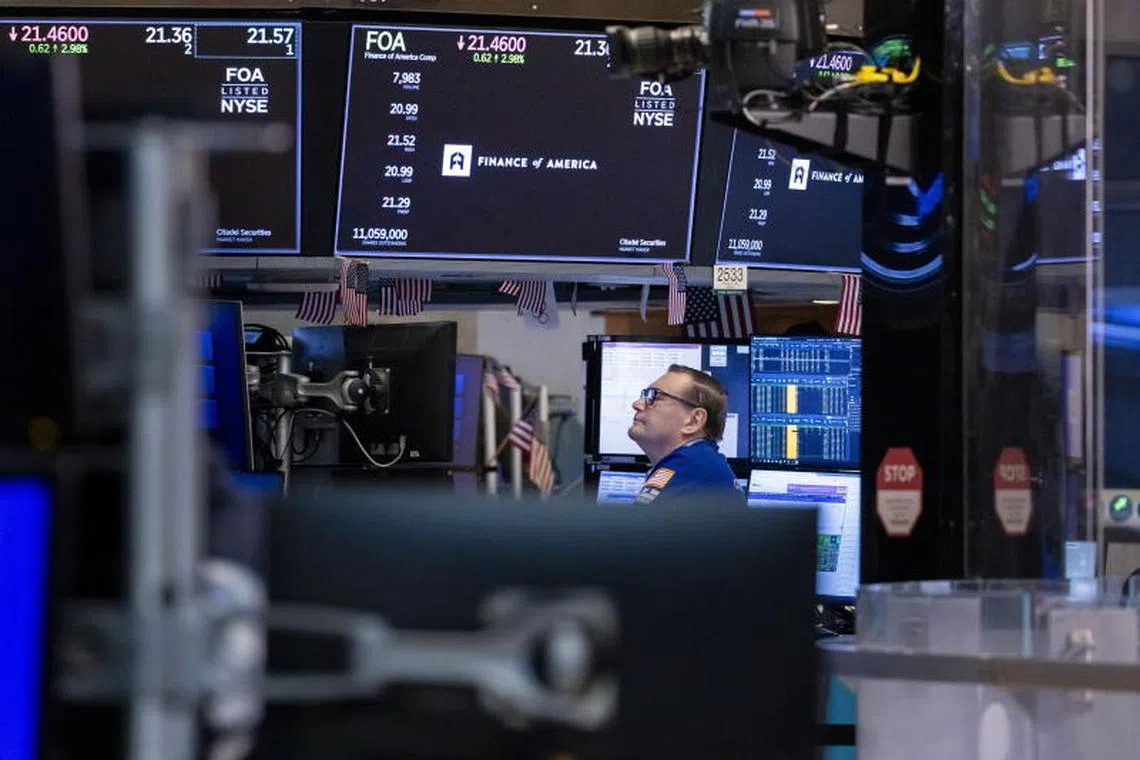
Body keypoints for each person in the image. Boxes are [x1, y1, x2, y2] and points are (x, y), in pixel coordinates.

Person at [627, 364, 744, 504]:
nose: (637, 404)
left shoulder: (688, 470)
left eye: (655, 397)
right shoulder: (699, 463)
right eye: (645, 395)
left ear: (694, 421)